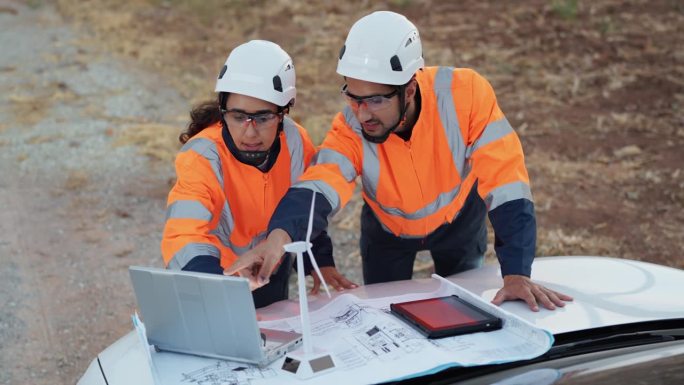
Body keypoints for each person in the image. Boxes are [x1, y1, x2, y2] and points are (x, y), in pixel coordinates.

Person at [227, 12, 572, 311]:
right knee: (385, 315)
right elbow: (319, 187)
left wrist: (515, 273)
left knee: (463, 311)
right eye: (352, 96)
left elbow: (507, 184)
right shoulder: (349, 128)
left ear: (408, 89)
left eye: (375, 99)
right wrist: (278, 237)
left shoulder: (465, 95)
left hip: (459, 224)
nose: (362, 113)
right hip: (386, 234)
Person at [161, 40, 355, 308]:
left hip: (270, 267)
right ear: (223, 110)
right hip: (220, 272)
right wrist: (215, 283)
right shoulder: (202, 155)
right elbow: (184, 234)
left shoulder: (296, 140)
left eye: (263, 118)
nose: (250, 132)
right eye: (238, 117)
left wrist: (318, 262)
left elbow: (303, 203)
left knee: (274, 340)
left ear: (283, 112)